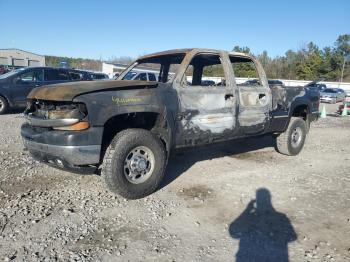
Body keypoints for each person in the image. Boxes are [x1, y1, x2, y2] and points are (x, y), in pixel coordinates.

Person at [229, 188, 297, 262]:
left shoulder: (252, 217)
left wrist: (247, 210)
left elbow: (234, 233)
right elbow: (293, 237)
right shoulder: (281, 217)